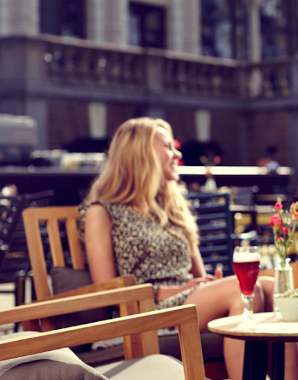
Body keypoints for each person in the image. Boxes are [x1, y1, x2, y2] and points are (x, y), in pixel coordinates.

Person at [79, 118, 286, 380]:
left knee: (274, 288)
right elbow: (109, 291)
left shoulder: (172, 209)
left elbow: (197, 274)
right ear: (140, 154)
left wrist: (209, 283)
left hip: (188, 299)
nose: (177, 154)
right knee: (243, 290)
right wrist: (178, 289)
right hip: (144, 310)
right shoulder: (102, 211)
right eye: (168, 147)